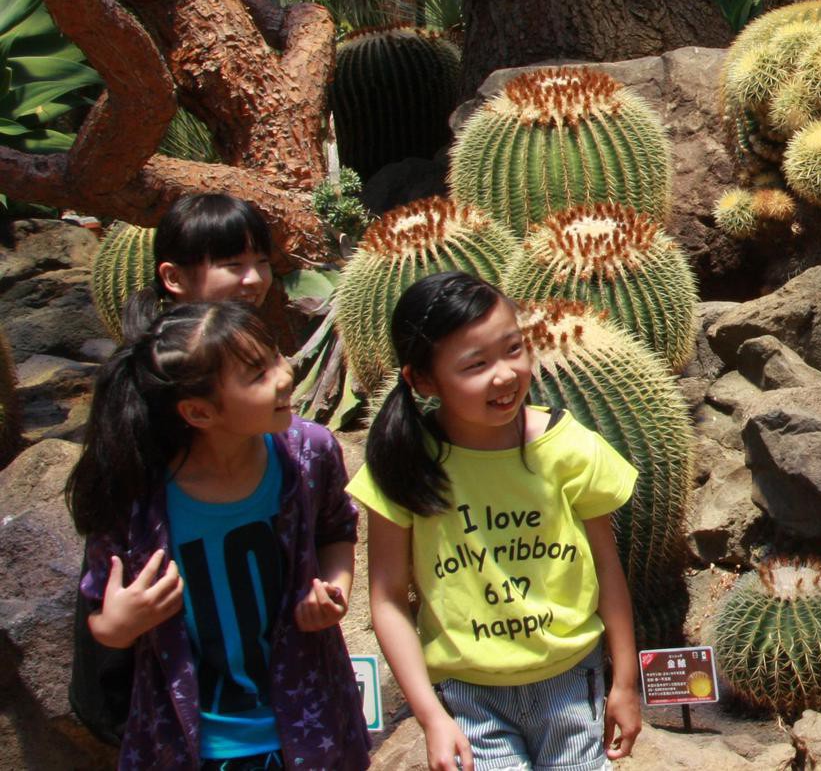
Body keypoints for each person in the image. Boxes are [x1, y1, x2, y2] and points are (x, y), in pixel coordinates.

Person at [349, 271, 642, 771]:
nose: (505, 375)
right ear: (421, 380)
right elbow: (388, 599)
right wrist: (430, 717)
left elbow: (606, 566)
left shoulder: (567, 448)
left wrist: (625, 682)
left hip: (571, 681)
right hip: (467, 696)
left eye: (513, 349)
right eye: (475, 364)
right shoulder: (404, 464)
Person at [66, 301, 369, 771]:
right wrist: (120, 626)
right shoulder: (135, 494)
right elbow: (100, 617)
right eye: (257, 375)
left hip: (311, 726)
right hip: (187, 742)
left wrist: (335, 590)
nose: (284, 374)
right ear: (200, 412)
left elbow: (336, 528)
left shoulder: (311, 453)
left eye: (273, 356)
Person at [120, 193, 277, 341]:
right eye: (233, 264)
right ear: (174, 277)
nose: (255, 279)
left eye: (263, 261)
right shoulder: (176, 358)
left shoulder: (245, 342)